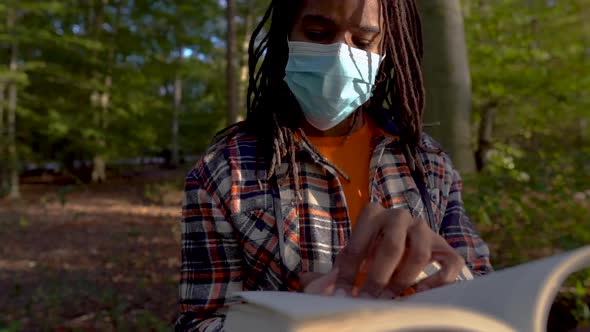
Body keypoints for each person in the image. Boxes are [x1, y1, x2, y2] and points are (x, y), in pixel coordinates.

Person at [175, 0, 492, 330]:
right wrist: (298, 318)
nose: (341, 54)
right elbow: (200, 321)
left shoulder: (428, 164)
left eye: (364, 41)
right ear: (285, 36)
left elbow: (487, 296)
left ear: (386, 50)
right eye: (317, 34)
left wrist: (447, 279)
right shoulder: (224, 172)